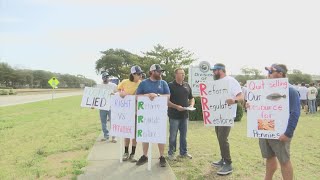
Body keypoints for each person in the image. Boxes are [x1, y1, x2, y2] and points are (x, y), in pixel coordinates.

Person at [260, 64, 300, 180]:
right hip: (265, 128)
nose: (268, 74)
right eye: (268, 72)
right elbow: (261, 106)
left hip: (280, 131)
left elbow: (295, 112)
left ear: (281, 73)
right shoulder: (265, 89)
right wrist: (251, 106)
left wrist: (288, 133)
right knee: (269, 157)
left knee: (284, 160)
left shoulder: (290, 90)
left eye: (271, 72)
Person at [210, 63, 244, 175]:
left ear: (221, 70)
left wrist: (234, 101)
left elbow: (241, 96)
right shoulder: (215, 82)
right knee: (219, 138)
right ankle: (223, 159)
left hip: (227, 114)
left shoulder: (231, 81)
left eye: (215, 70)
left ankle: (228, 164)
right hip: (217, 114)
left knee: (223, 138)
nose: (213, 72)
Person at [135, 64, 170, 167]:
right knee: (145, 134)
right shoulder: (143, 83)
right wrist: (146, 95)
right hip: (146, 115)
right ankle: (144, 156)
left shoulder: (163, 83)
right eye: (158, 71)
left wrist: (157, 95)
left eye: (160, 71)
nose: (160, 73)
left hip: (160, 115)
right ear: (152, 72)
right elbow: (137, 96)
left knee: (160, 135)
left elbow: (168, 97)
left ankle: (161, 156)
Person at [167, 68, 195, 161]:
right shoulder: (170, 85)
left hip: (185, 116)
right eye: (181, 73)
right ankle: (171, 153)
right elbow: (166, 101)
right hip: (174, 115)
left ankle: (183, 153)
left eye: (184, 74)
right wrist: (176, 107)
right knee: (173, 136)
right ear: (176, 75)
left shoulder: (187, 85)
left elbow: (192, 98)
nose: (183, 75)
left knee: (183, 136)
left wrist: (191, 105)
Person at [118, 65, 143, 162]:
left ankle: (133, 154)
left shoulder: (141, 83)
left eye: (141, 74)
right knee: (127, 132)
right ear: (133, 74)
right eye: (138, 74)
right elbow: (117, 90)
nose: (140, 75)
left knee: (135, 134)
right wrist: (121, 92)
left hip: (137, 112)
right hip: (126, 113)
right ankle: (126, 152)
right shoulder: (125, 82)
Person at [96, 72, 118, 142]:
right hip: (102, 107)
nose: (106, 78)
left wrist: (114, 93)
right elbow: (96, 96)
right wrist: (93, 104)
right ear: (102, 78)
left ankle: (114, 137)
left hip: (112, 106)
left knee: (113, 122)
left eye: (107, 77)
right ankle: (106, 136)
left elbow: (118, 92)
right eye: (105, 77)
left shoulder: (113, 85)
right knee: (103, 122)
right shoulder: (99, 86)